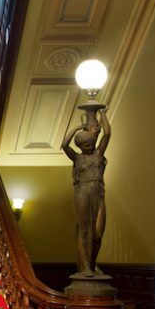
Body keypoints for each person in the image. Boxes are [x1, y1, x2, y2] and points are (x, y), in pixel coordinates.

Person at [61, 109, 110, 277]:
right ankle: (86, 267)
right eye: (87, 145)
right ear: (81, 146)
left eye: (91, 143)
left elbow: (107, 134)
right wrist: (75, 129)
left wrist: (103, 114)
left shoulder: (98, 154)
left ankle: (93, 263)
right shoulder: (77, 158)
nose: (91, 147)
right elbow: (64, 145)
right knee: (84, 230)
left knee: (97, 232)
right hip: (83, 192)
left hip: (99, 193)